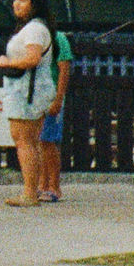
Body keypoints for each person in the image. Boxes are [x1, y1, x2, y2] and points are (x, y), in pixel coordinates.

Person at [0, 0, 57, 208]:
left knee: (24, 141)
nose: (16, 4)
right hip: (26, 90)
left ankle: (30, 193)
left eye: (22, 0)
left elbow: (33, 58)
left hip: (27, 91)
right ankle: (33, 189)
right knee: (30, 141)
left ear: (34, 4)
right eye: (15, 0)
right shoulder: (33, 28)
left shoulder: (34, 29)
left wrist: (7, 62)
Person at [39, 13, 76, 203]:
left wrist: (59, 98)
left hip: (51, 94)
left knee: (48, 141)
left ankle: (54, 186)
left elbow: (64, 68)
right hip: (35, 97)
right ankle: (41, 184)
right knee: (38, 142)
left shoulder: (58, 38)